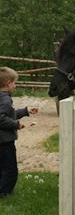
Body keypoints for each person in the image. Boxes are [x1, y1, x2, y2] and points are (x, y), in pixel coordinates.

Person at [0, 67, 38, 197]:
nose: (15, 85)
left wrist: (25, 111)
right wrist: (16, 124)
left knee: (2, 169)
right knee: (11, 170)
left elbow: (7, 115)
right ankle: (4, 193)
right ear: (8, 83)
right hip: (5, 142)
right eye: (14, 83)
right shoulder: (6, 99)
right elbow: (1, 118)